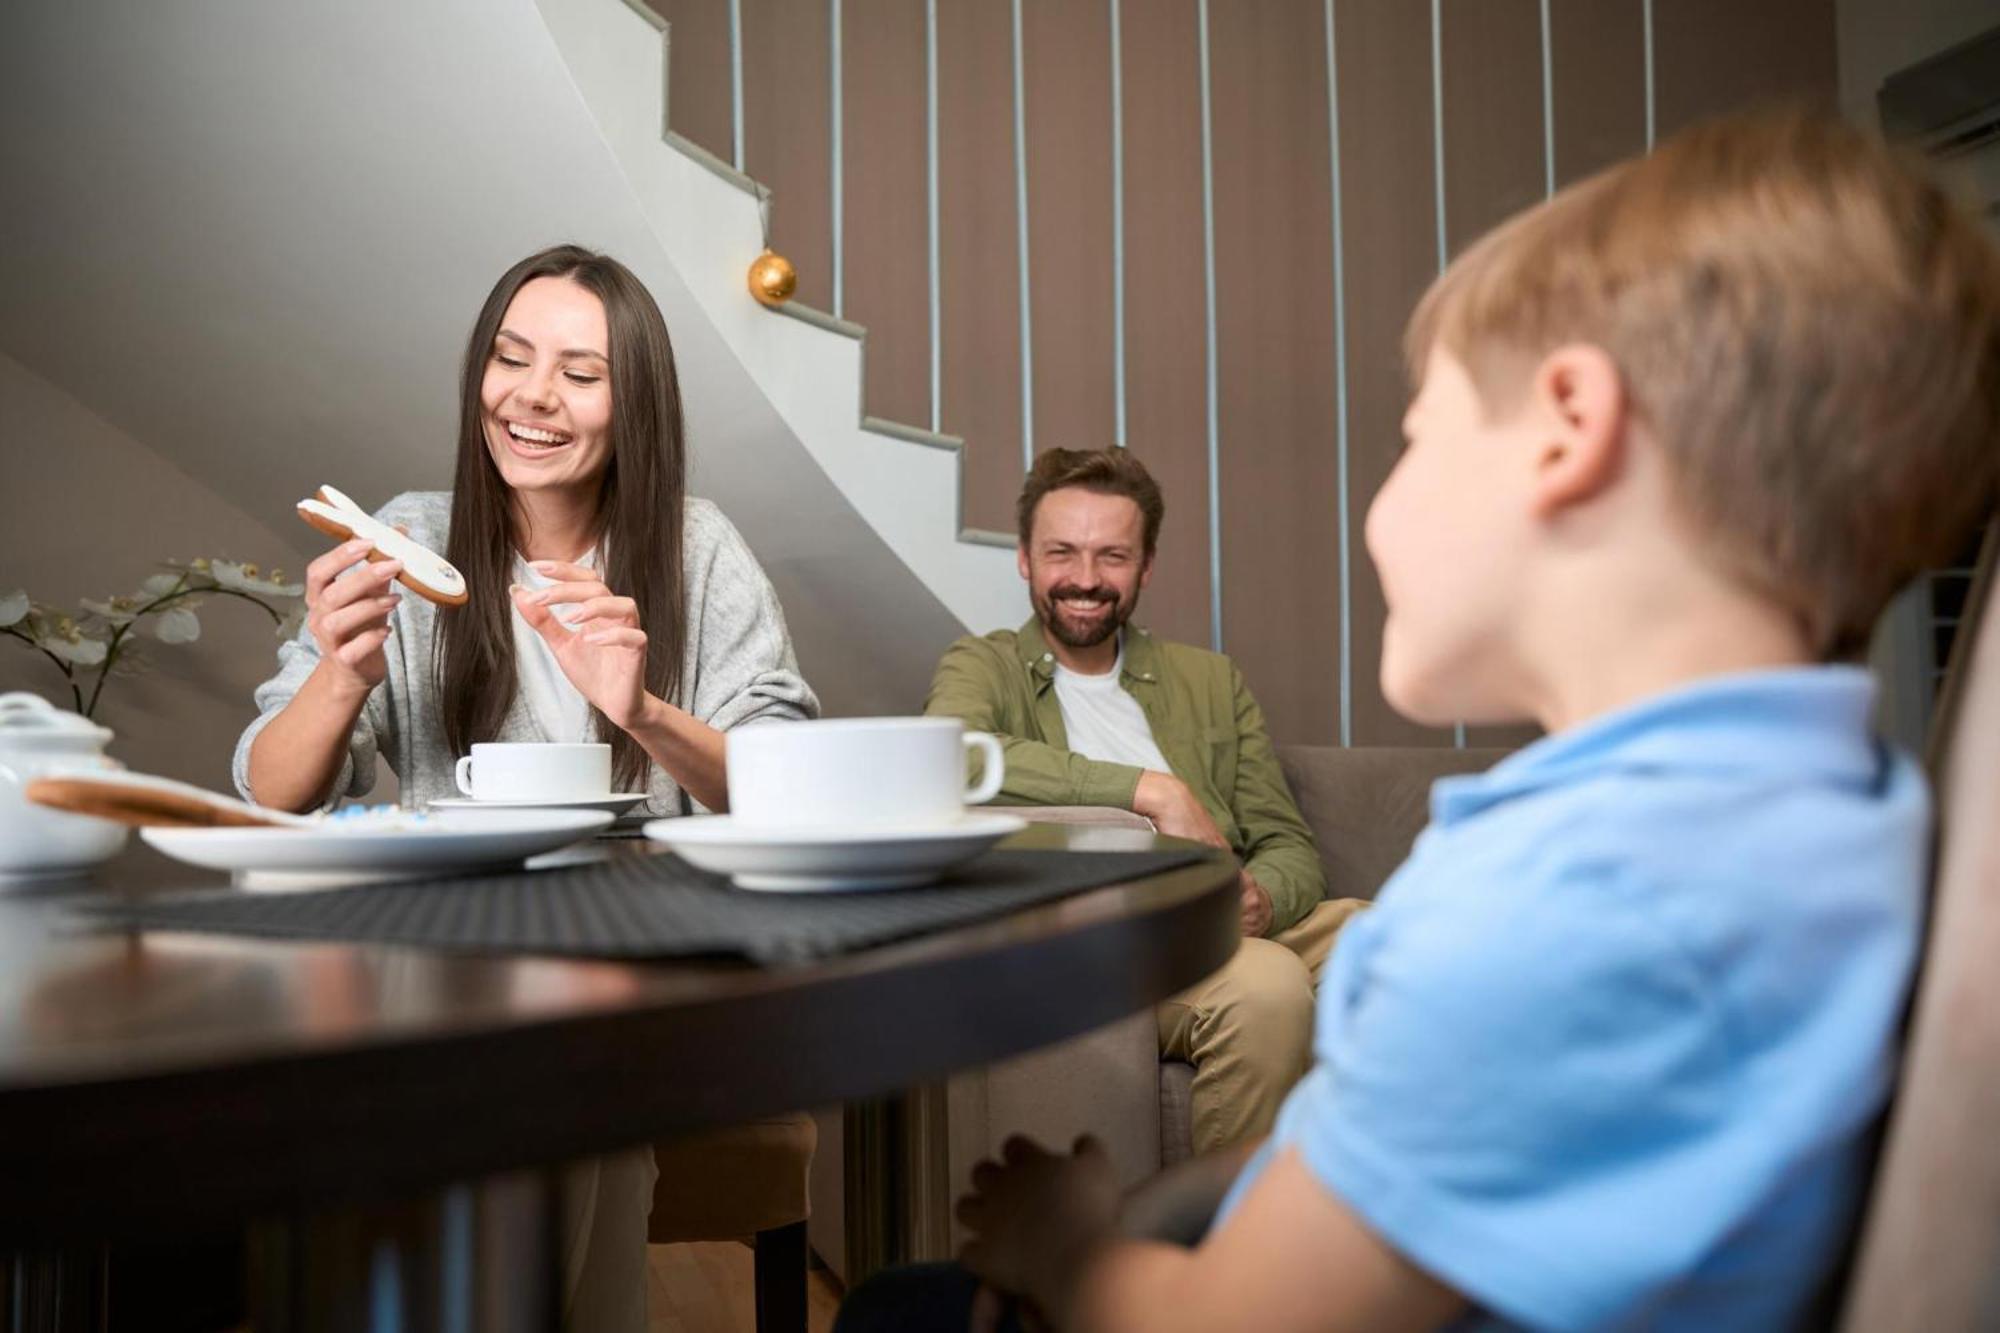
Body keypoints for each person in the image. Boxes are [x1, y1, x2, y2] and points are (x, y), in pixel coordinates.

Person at [841, 109, 2000, 1332]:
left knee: (888, 1313)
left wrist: (1068, 1245)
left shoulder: (1555, 900)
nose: (1381, 508)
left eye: (1415, 435)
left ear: (1567, 427)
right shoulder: (1832, 812)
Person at [235, 244, 818, 1330]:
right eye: (510, 359)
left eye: (579, 373)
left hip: (644, 969)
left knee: (549, 1078)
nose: (531, 396)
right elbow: (270, 790)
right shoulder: (407, 540)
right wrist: (337, 673)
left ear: (632, 402)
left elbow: (786, 782)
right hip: (435, 969)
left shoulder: (694, 550)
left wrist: (641, 710)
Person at [926, 447, 1361, 1154]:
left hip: (1228, 912)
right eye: (1062, 552)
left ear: (1147, 565)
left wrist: (1264, 899)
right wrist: (1150, 789)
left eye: (1113, 556)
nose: (1086, 580)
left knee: (1405, 941)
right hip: (1110, 938)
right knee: (1268, 988)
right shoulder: (984, 664)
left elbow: (1286, 840)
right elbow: (952, 755)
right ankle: (1231, 1256)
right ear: (1024, 559)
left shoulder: (1211, 678)